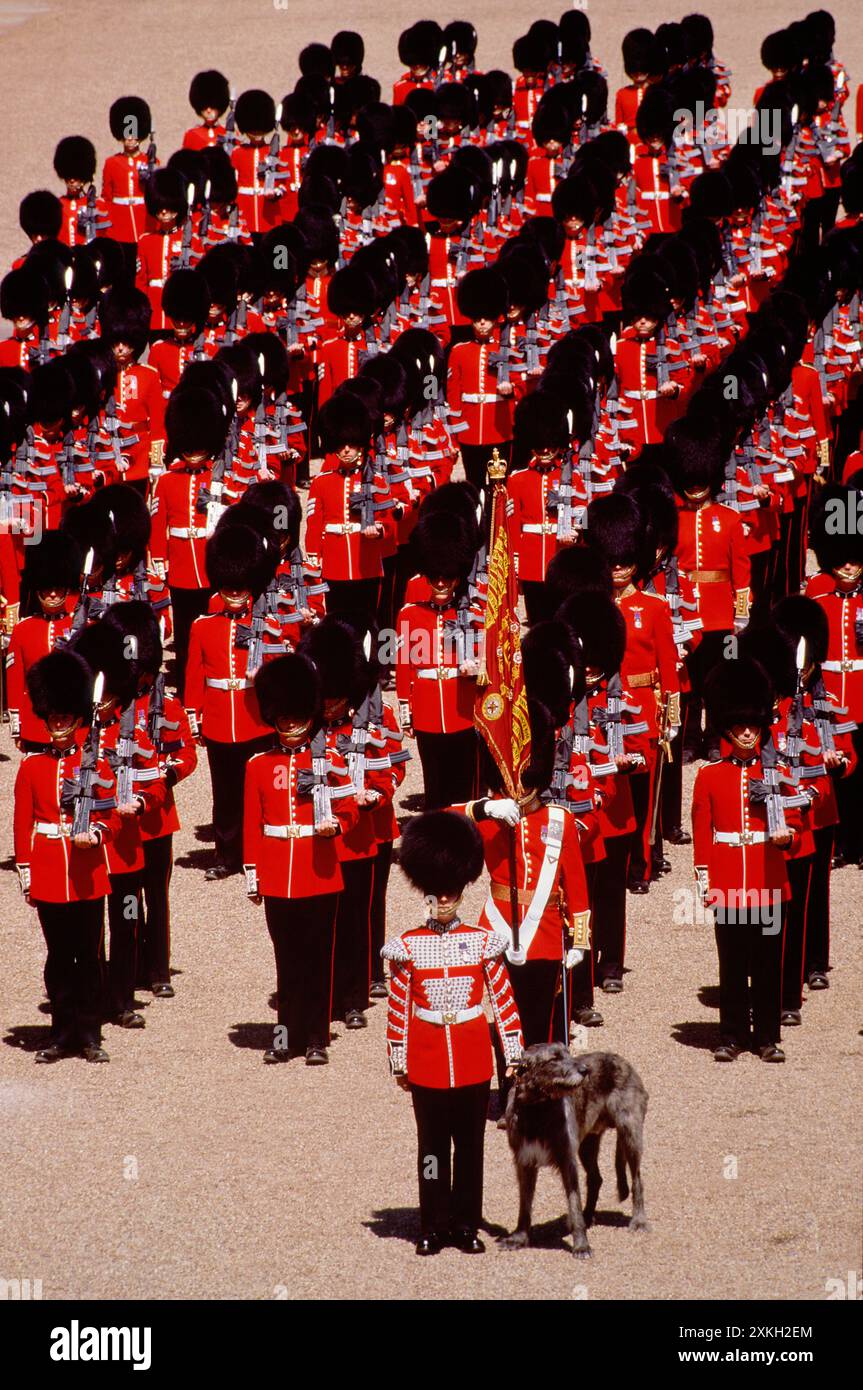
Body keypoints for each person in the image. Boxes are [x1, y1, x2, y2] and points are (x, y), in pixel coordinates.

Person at [382, 810, 523, 1255]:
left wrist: (514, 1053)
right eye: (437, 894)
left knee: (470, 1147)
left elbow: (501, 998)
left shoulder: (482, 941)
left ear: (461, 892)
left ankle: (464, 1224)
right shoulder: (407, 945)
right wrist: (399, 1058)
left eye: (451, 894)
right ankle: (432, 1222)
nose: (443, 901)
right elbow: (398, 1006)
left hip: (471, 1054)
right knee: (431, 1148)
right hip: (426, 1056)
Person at [243, 653, 358, 1065]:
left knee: (317, 959)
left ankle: (315, 1037)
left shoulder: (331, 761)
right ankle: (283, 1037)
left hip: (319, 870)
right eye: (283, 717)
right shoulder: (258, 765)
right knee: (285, 960)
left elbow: (349, 809)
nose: (289, 724)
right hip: (277, 872)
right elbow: (252, 824)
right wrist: (253, 874)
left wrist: (337, 827)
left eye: (296, 716)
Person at [692, 657, 806, 1063]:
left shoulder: (777, 773)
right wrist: (705, 879)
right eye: (740, 726)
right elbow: (703, 831)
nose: (746, 732)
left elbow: (795, 823)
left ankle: (767, 1036)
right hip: (728, 881)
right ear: (728, 727)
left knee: (768, 963)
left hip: (768, 877)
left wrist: (786, 837)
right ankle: (731, 1034)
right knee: (733, 962)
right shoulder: (710, 775)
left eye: (753, 727)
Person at [14, 649, 118, 1063]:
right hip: (50, 870)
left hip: (87, 869)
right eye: (53, 720)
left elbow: (110, 814)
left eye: (65, 719)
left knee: (89, 955)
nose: (58, 726)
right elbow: (23, 824)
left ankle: (89, 1032)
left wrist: (96, 834)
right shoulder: (32, 767)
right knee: (58, 957)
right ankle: (60, 1031)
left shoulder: (95, 763)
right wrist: (26, 870)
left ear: (77, 719)